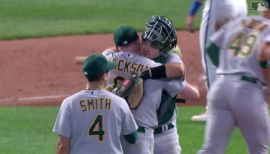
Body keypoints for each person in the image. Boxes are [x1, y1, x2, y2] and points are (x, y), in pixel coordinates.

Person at [198, 4, 270, 154]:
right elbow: (265, 54)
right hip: (247, 92)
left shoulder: (242, 21)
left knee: (211, 149)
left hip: (220, 89)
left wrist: (223, 69)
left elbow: (211, 46)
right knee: (259, 150)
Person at [103, 25, 186, 154]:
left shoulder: (107, 57)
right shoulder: (151, 65)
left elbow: (111, 51)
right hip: (143, 134)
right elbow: (178, 73)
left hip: (115, 130)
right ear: (138, 41)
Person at [53, 54, 138, 154]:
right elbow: (132, 138)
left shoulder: (69, 103)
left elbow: (63, 146)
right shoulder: (119, 103)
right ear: (104, 76)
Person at [141, 15, 200, 154]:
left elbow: (178, 69)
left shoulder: (170, 67)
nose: (146, 47)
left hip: (165, 137)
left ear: (163, 49)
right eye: (145, 41)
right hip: (140, 135)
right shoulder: (135, 55)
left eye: (153, 45)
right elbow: (194, 94)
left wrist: (145, 73)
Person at [186, 0, 248, 122]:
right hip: (241, 4)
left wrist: (192, 13)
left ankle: (214, 111)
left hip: (220, 5)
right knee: (233, 57)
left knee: (209, 58)